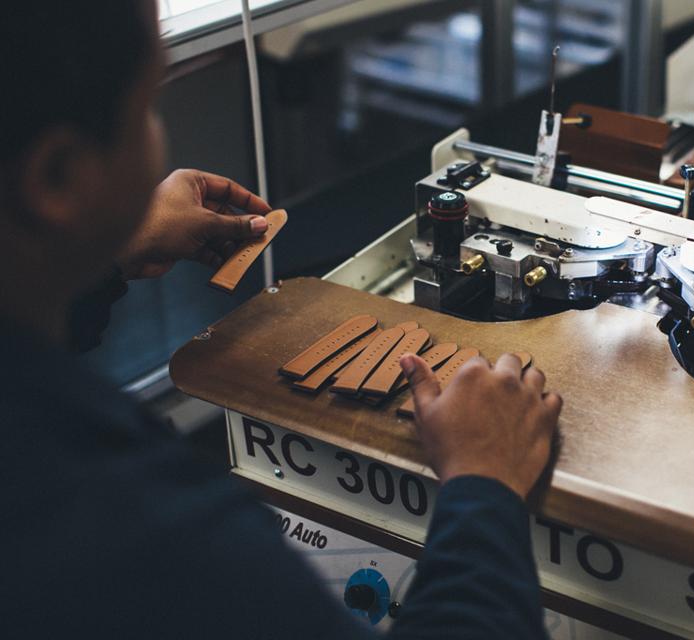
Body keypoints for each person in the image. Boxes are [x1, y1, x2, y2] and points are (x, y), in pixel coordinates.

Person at [0, 2, 562, 638]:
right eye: (147, 106)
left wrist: (99, 259)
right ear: (57, 178)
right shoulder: (135, 528)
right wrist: (485, 484)